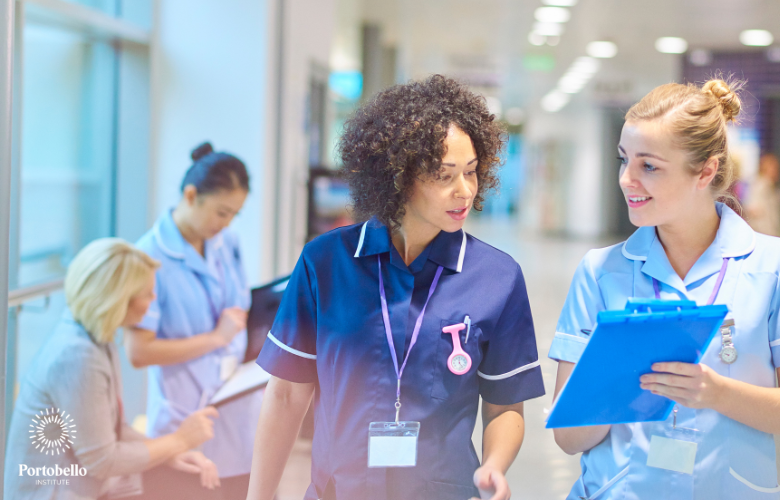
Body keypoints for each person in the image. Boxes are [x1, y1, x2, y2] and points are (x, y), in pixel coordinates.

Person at [247, 75, 545, 500]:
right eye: (445, 176)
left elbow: (505, 406)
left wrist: (495, 466)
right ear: (398, 177)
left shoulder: (497, 277)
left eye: (472, 172)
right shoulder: (325, 263)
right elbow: (286, 397)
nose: (465, 191)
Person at [548, 80, 780, 499]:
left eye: (649, 166)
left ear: (706, 171)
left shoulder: (778, 265)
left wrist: (717, 393)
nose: (626, 180)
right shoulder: (599, 272)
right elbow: (568, 437)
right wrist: (616, 379)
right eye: (623, 160)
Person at [4, 239, 220, 500]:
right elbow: (102, 461)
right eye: (148, 293)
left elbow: (114, 430)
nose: (154, 300)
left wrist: (170, 452)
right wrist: (179, 440)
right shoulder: (77, 356)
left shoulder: (95, 336)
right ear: (119, 300)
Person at [127, 142, 258, 500]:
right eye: (220, 212)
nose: (227, 223)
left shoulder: (227, 241)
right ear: (190, 195)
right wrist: (215, 339)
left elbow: (239, 309)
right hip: (181, 424)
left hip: (238, 416)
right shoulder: (149, 256)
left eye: (235, 214)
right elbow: (138, 351)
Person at [745, 153, 780, 239]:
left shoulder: (778, 191)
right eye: (772, 167)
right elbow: (754, 215)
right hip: (763, 237)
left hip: (775, 237)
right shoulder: (758, 188)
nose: (775, 171)